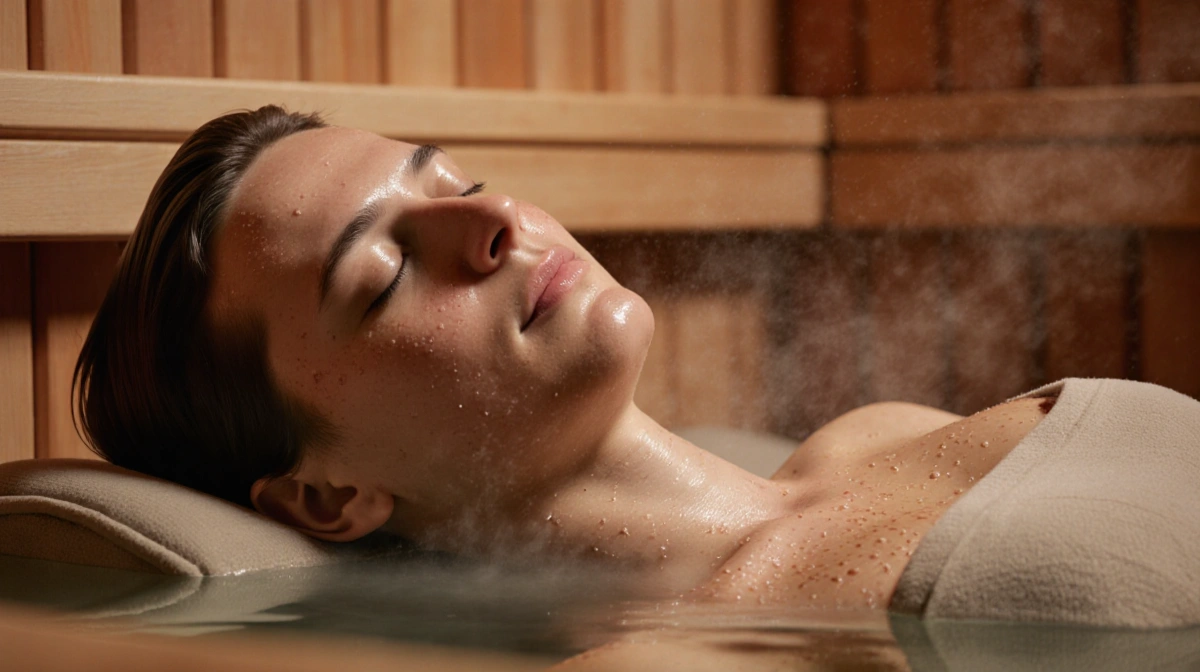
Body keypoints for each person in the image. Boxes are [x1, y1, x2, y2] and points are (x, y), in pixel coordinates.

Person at [74, 108, 1200, 658]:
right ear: (329, 495)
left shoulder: (878, 431)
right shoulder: (671, 659)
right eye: (381, 275)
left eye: (459, 181)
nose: (495, 223)